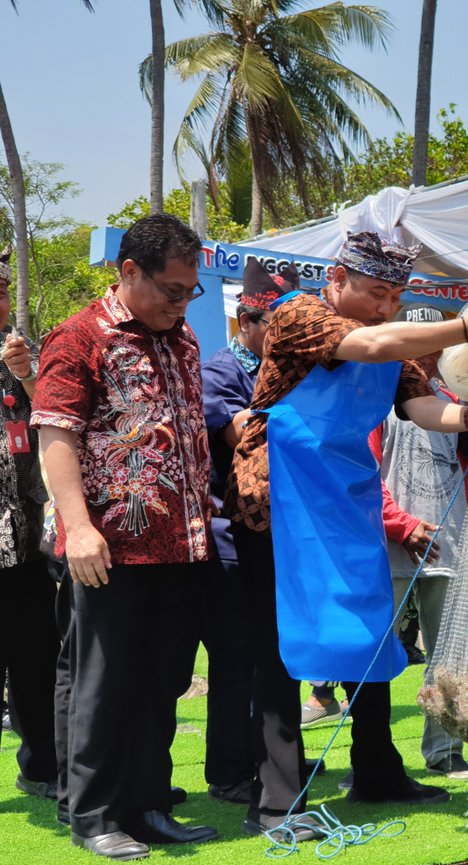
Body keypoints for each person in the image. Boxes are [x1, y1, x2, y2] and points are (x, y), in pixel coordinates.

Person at [225, 231, 468, 839]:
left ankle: (378, 771)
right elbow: (371, 343)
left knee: (372, 630)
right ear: (336, 281)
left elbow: (419, 406)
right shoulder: (297, 313)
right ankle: (279, 800)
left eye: (395, 295)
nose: (386, 306)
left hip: (349, 496)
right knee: (280, 648)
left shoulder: (395, 342)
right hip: (278, 500)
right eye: (375, 292)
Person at [33, 214, 219, 860]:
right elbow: (55, 434)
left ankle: (146, 803)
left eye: (190, 290)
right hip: (110, 549)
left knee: (160, 683)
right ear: (129, 271)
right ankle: (94, 814)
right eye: (172, 289)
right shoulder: (81, 337)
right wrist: (78, 527)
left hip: (181, 546)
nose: (182, 302)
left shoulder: (183, 337)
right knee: (103, 685)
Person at [199, 257, 294, 804]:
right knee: (236, 660)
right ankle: (229, 771)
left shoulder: (277, 368)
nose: (283, 339)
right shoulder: (221, 371)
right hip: (229, 539)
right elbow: (244, 436)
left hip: (277, 539)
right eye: (273, 327)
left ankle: (272, 758)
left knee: (275, 656)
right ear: (246, 323)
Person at [370, 301, 468, 780]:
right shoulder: (376, 394)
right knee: (375, 653)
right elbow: (365, 470)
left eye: (435, 343)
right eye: (415, 342)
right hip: (388, 543)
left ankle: (445, 749)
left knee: (448, 652)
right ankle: (371, 755)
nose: (424, 353)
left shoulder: (457, 398)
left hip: (447, 540)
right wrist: (400, 525)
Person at [0, 246, 60, 802]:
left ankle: (40, 766)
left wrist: (26, 374)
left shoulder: (25, 356)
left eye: (0, 291)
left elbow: (56, 416)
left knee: (35, 659)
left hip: (27, 540)